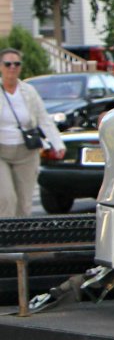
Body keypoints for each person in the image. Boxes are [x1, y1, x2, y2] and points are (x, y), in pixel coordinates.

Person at [0, 48, 66, 217]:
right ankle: (5, 239)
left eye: (16, 64)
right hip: (2, 151)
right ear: (1, 66)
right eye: (8, 64)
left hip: (26, 152)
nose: (12, 68)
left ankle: (21, 240)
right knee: (6, 198)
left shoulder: (28, 91)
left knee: (24, 202)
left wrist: (57, 143)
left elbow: (43, 118)